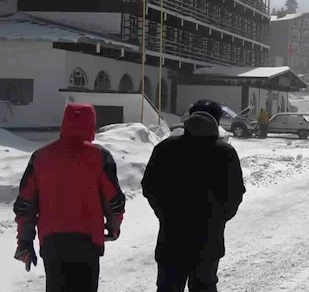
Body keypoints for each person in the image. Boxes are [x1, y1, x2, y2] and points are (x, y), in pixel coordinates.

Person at [13, 103, 125, 292]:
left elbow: (25, 203)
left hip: (52, 243)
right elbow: (115, 201)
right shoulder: (99, 157)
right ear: (91, 124)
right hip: (87, 243)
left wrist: (24, 241)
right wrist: (113, 228)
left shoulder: (40, 157)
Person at [142, 99, 246, 292]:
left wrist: (164, 213)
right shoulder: (225, 153)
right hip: (209, 240)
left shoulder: (166, 148)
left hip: (171, 237)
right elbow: (235, 193)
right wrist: (219, 217)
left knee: (168, 287)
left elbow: (149, 186)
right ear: (215, 121)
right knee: (204, 286)